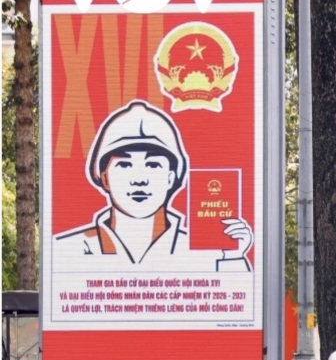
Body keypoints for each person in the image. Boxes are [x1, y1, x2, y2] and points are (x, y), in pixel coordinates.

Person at [54, 100, 253, 269]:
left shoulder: (208, 254)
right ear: (105, 178)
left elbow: (233, 306)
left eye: (153, 164)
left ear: (171, 177)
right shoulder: (66, 249)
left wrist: (233, 258)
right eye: (124, 164)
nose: (139, 179)